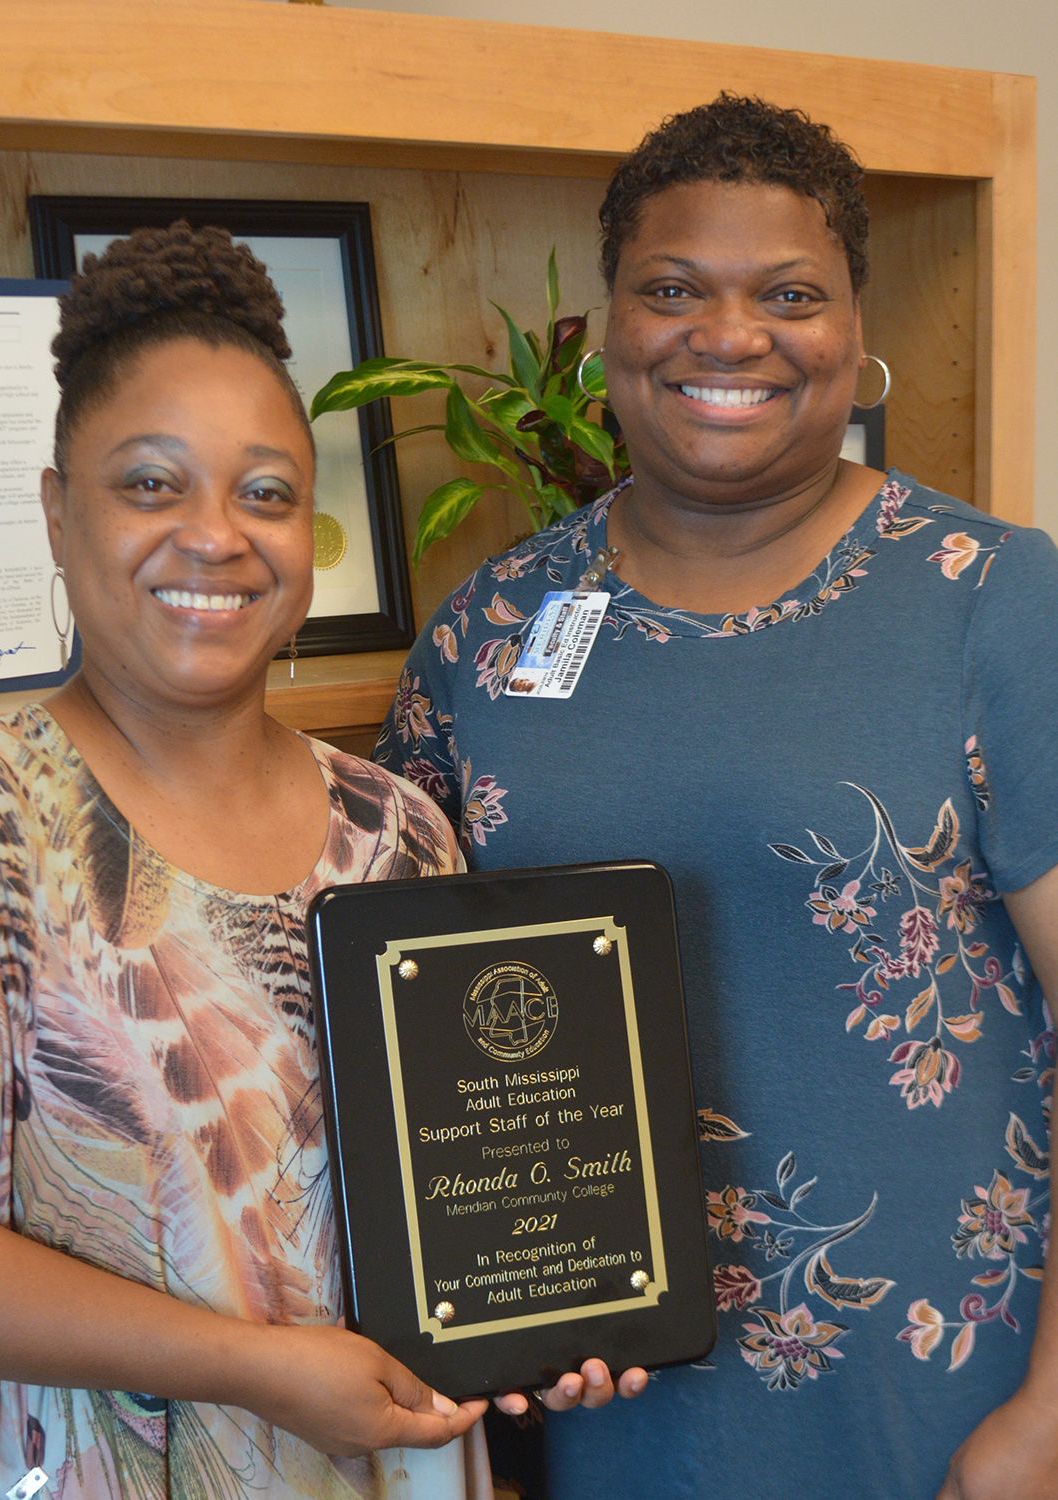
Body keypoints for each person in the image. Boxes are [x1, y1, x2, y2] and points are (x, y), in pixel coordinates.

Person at [376, 95, 1058, 1499]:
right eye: (672, 288)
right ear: (608, 326)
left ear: (852, 331)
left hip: (938, 1409)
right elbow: (417, 1045)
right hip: (608, 1404)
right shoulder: (488, 632)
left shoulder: (991, 601)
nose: (728, 336)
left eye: (787, 294)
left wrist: (1047, 1420)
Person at [0, 222, 500, 1500]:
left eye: (263, 492)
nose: (215, 536)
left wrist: (570, 1311)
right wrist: (249, 1367)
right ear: (57, 512)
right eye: (151, 484)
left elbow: (482, 1182)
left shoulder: (400, 833)